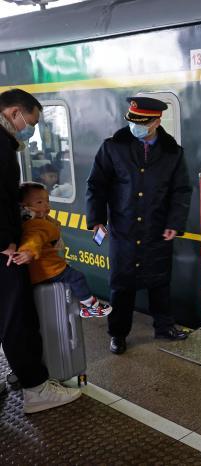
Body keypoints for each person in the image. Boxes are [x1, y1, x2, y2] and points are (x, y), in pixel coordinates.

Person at [86, 96, 192, 355]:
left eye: (142, 123)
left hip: (157, 228)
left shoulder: (172, 153)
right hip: (123, 229)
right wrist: (96, 219)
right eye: (132, 121)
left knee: (160, 282)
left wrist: (174, 223)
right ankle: (118, 334)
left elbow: (181, 190)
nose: (135, 127)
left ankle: (164, 327)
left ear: (156, 122)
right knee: (122, 285)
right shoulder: (113, 147)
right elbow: (96, 185)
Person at [0, 88, 81, 412]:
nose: (29, 130)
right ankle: (36, 389)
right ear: (14, 113)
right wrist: (5, 240)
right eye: (30, 123)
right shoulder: (1, 145)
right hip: (4, 252)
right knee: (17, 317)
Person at [13, 182, 113, 318]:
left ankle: (85, 305)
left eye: (47, 201)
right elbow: (34, 239)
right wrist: (28, 252)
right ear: (25, 206)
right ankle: (91, 307)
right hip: (50, 270)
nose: (46, 205)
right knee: (77, 278)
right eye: (39, 202)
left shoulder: (33, 220)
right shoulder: (37, 224)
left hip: (43, 271)